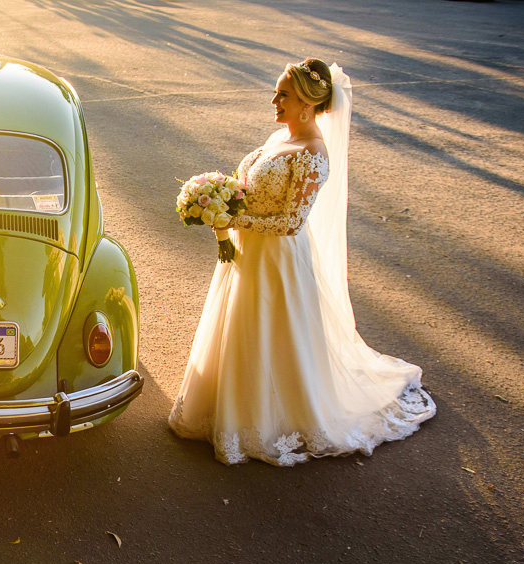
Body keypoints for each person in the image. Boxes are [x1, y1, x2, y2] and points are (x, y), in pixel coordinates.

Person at [168, 59, 435, 466]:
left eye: (284, 95)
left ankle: (269, 417)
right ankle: (228, 404)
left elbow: (292, 221)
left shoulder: (312, 154)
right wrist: (220, 197)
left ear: (307, 105)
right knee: (239, 325)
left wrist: (229, 217)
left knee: (271, 329)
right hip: (248, 250)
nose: (275, 100)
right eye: (276, 92)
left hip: (277, 259)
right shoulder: (281, 137)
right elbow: (251, 189)